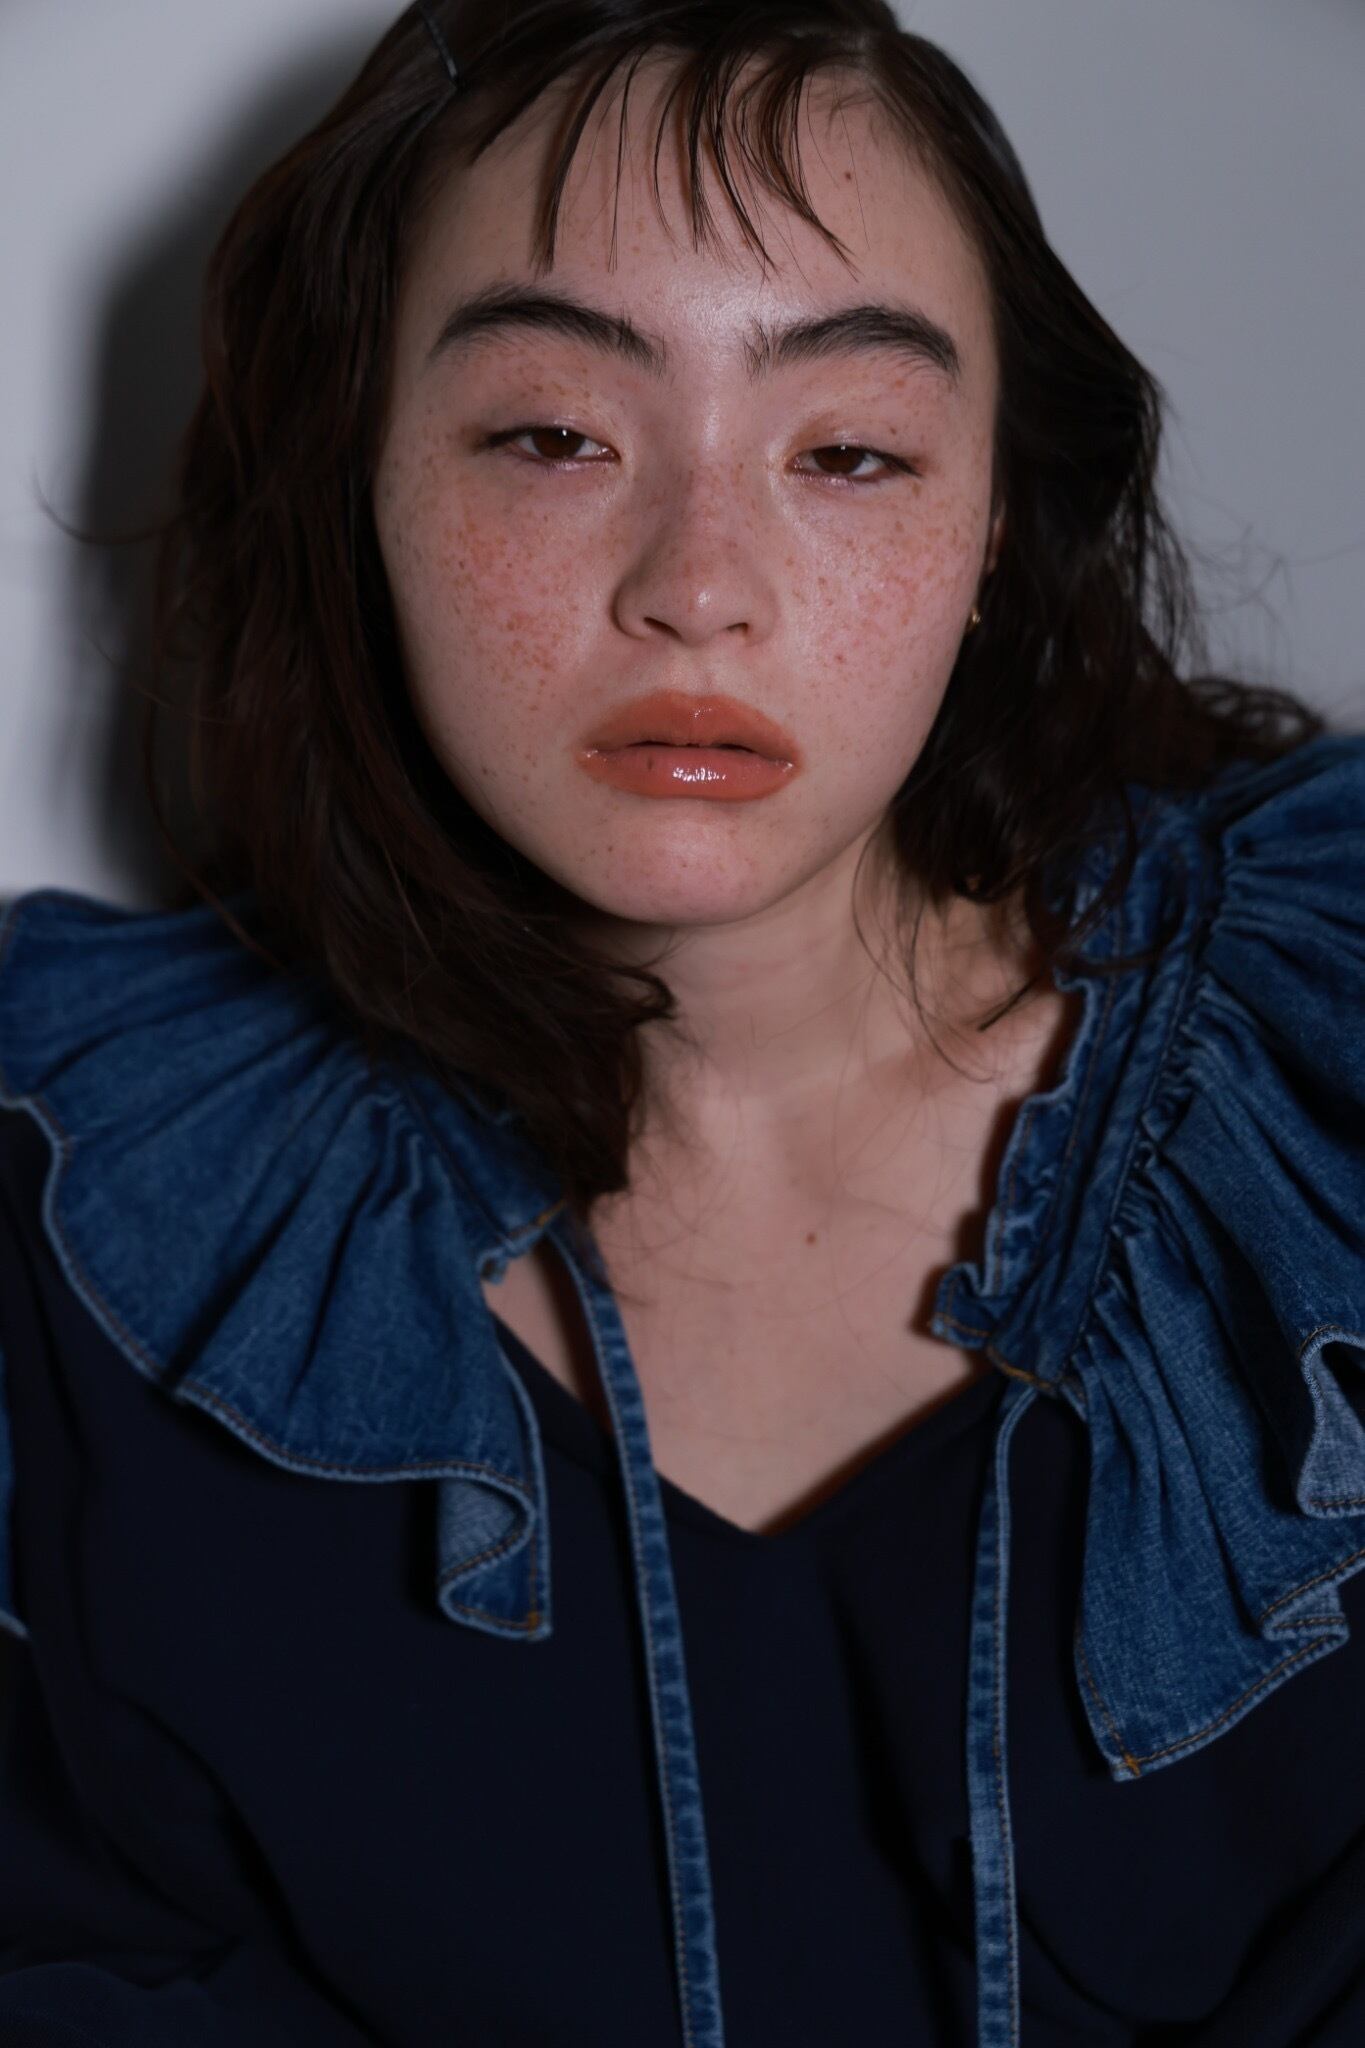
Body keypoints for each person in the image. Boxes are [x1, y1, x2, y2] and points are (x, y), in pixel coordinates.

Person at [1, 0, 1362, 2042]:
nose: (699, 584)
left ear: (992, 527)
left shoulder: (1334, 1055)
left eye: (847, 451)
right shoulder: (80, 1195)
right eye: (554, 435)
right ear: (361, 481)